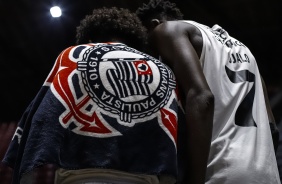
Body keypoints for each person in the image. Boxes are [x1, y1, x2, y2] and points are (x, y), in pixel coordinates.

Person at [2, 7, 183, 184]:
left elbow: (44, 117)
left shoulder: (74, 55)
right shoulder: (162, 70)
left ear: (89, 38)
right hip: (147, 177)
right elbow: (172, 130)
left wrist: (26, 173)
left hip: (81, 177)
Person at [136, 0, 280, 184]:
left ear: (154, 25)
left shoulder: (167, 30)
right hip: (266, 175)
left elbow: (202, 97)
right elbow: (272, 127)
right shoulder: (243, 49)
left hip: (220, 172)